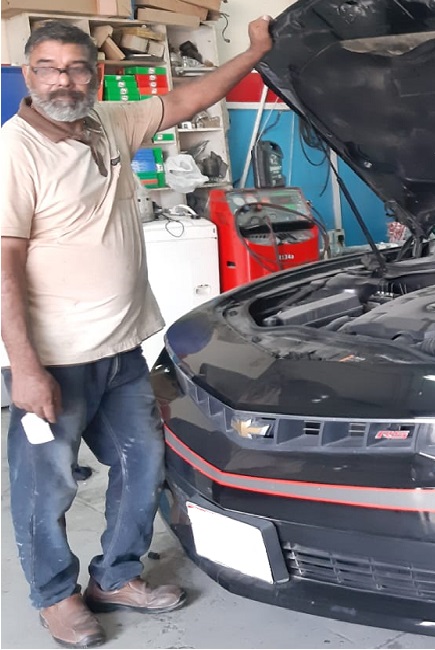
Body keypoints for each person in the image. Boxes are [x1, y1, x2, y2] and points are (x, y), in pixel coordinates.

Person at [0, 16, 273, 649]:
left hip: (123, 347)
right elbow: (4, 266)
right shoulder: (15, 152)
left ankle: (116, 577)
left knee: (142, 464)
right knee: (47, 485)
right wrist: (26, 368)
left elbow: (188, 98)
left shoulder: (107, 123)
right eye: (49, 68)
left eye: (76, 68)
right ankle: (54, 595)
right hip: (54, 357)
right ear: (28, 73)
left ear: (95, 75)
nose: (64, 81)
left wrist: (256, 52)